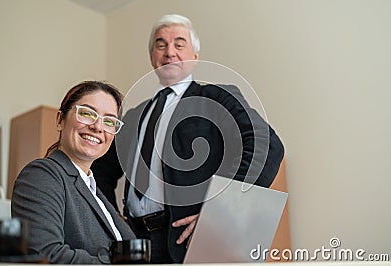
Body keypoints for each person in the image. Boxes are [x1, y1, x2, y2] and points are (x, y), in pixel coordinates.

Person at [92, 14, 285, 263]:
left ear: (195, 56)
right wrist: (113, 220)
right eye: (160, 45)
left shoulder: (216, 97)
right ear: (152, 56)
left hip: (192, 239)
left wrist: (220, 211)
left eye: (179, 44)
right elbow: (99, 172)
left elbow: (266, 146)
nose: (169, 52)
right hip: (135, 244)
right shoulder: (132, 116)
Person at [11, 81, 136, 264]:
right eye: (87, 113)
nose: (98, 127)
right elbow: (44, 255)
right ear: (60, 120)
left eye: (109, 121)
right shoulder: (41, 175)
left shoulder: (94, 191)